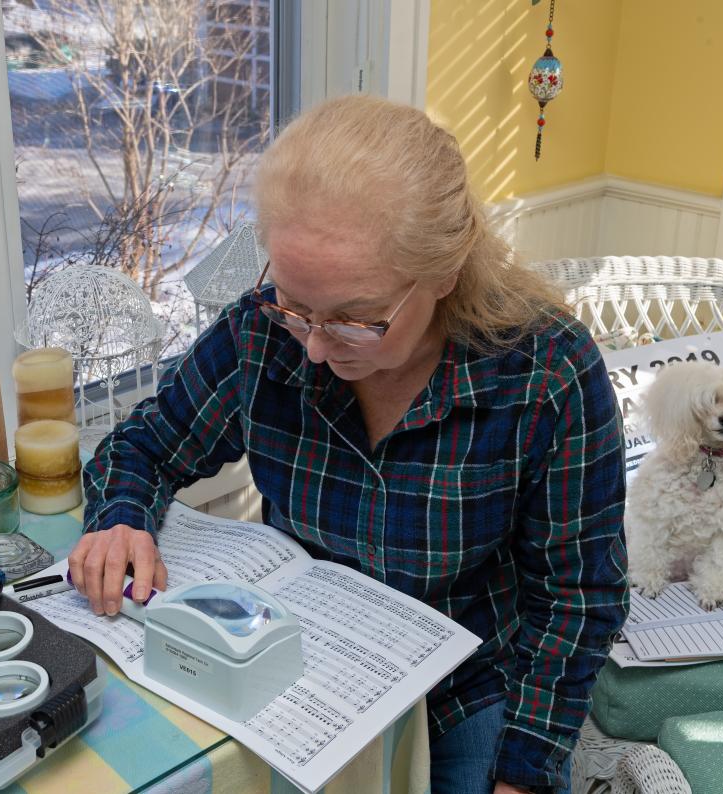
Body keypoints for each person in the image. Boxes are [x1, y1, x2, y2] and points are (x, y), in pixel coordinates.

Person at [69, 94, 628, 794]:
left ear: (444, 272)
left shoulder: (545, 372)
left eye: (356, 320)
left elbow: (580, 596)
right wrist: (120, 518)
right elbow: (145, 445)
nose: (312, 347)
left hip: (470, 689)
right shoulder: (262, 334)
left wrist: (525, 770)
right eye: (296, 303)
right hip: (297, 668)